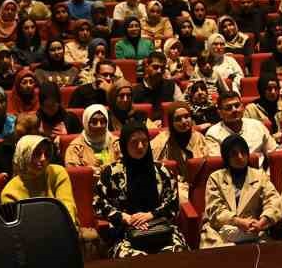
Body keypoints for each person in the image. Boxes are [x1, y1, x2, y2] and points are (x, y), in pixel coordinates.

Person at [95, 120, 188, 259]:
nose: (140, 146)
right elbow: (98, 204)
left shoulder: (162, 171)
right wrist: (126, 218)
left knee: (176, 252)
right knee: (133, 258)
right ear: (124, 144)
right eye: (134, 142)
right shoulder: (111, 173)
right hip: (125, 233)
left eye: (144, 141)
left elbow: (172, 204)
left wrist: (150, 215)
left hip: (161, 229)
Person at [200, 134, 282, 248]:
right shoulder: (215, 178)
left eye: (243, 152)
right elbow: (215, 210)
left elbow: (273, 201)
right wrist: (238, 222)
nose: (240, 157)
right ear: (226, 157)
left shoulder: (260, 175)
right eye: (234, 154)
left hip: (254, 229)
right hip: (220, 230)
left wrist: (262, 222)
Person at [0, 135, 80, 228]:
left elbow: (68, 207)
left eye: (46, 153)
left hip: (65, 230)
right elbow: (19, 229)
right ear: (24, 155)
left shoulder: (57, 172)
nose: (43, 159)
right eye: (37, 153)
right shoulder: (9, 192)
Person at [151, 101, 217, 202]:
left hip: (199, 184)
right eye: (178, 119)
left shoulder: (199, 137)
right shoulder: (162, 140)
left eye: (187, 116)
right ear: (171, 122)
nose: (184, 121)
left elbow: (210, 165)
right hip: (174, 185)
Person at [205, 90, 279, 167]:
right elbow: (218, 165)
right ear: (220, 113)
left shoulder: (257, 125)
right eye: (228, 108)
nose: (234, 110)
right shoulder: (213, 134)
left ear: (243, 107)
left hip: (261, 175)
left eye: (237, 106)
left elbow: (275, 154)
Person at [64, 105, 120, 171]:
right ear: (86, 123)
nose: (99, 126)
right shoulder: (76, 148)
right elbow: (76, 175)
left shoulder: (116, 143)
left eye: (102, 122)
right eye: (94, 122)